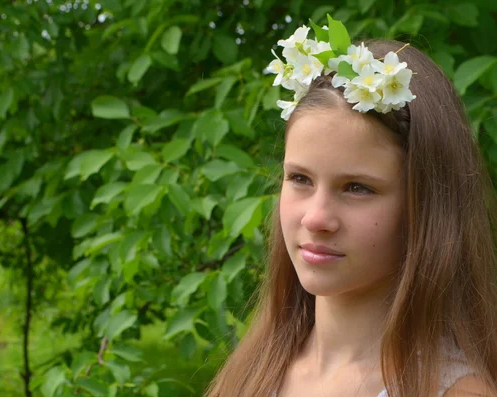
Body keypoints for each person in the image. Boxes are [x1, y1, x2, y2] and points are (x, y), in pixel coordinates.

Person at [204, 17, 497, 397]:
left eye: (357, 188)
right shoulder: (255, 371)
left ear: (425, 206)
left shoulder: (453, 391)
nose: (316, 218)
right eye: (300, 179)